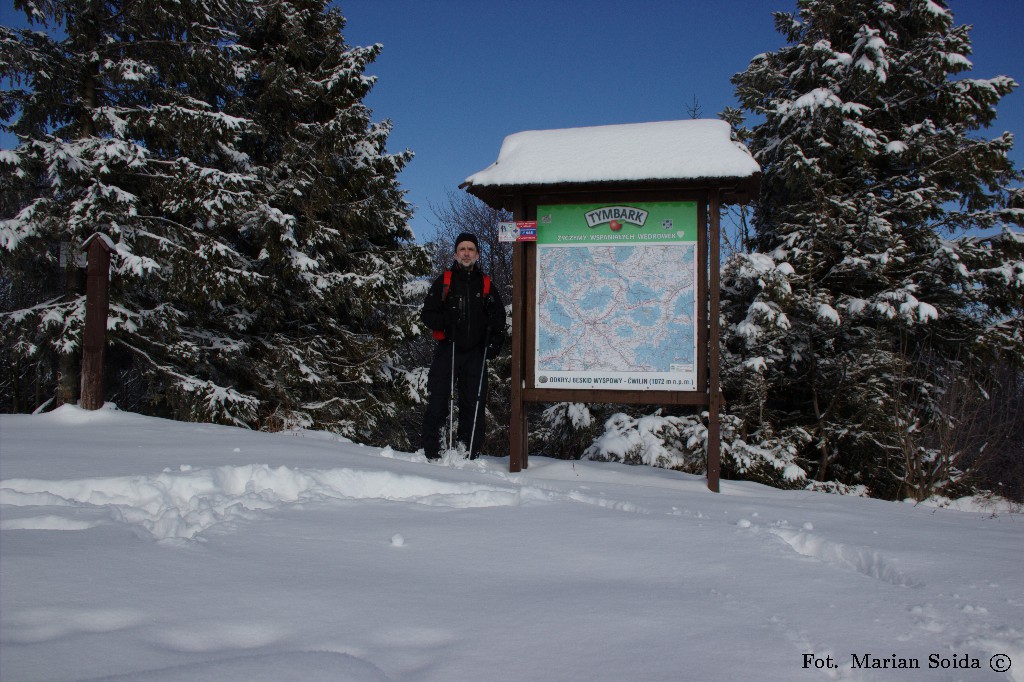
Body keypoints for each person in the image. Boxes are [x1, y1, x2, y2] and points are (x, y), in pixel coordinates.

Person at [420, 232, 506, 460]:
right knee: (438, 400)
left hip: (476, 353)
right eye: (462, 249)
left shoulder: (486, 284)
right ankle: (434, 452)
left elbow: (499, 320)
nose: (466, 253)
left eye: (470, 249)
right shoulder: (445, 281)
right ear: (456, 253)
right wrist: (447, 319)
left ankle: (468, 451)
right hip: (449, 349)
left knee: (473, 404)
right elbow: (427, 314)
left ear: (477, 254)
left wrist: (494, 342)